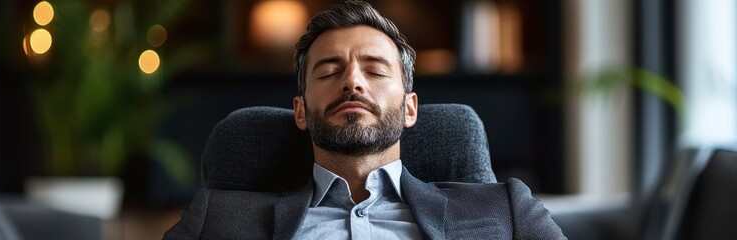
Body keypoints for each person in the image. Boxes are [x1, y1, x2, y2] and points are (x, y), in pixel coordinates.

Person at [164, 1, 565, 239]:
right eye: (328, 71)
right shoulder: (217, 218)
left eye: (374, 70)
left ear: (410, 108)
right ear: (300, 111)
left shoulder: (504, 210)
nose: (352, 82)